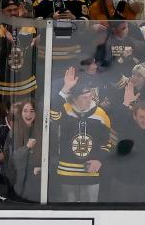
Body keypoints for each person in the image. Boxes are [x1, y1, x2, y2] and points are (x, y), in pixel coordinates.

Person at [49, 71, 116, 203]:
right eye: (84, 97)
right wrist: (65, 89)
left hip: (90, 173)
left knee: (89, 212)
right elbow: (52, 114)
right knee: (69, 215)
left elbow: (109, 142)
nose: (90, 99)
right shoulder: (65, 109)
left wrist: (100, 160)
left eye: (90, 95)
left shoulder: (100, 114)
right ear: (74, 98)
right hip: (67, 172)